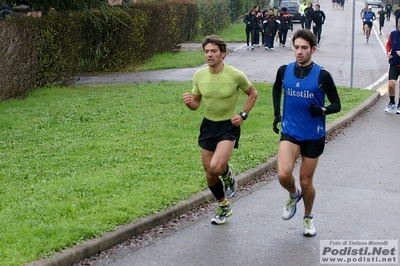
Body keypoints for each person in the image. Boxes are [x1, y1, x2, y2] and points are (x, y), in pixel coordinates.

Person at [271, 29, 341, 236]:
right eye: (296, 47)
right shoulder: (284, 71)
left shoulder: (322, 75)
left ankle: (308, 217)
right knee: (284, 175)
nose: (299, 52)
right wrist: (277, 113)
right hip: (290, 131)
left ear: (313, 49)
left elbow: (336, 104)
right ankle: (294, 195)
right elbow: (276, 88)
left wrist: (323, 110)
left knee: (305, 180)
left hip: (313, 134)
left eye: (304, 48)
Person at [182, 35, 258, 225]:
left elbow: (253, 93)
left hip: (228, 126)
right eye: (206, 51)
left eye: (213, 51)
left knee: (216, 166)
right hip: (208, 125)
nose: (209, 54)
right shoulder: (199, 75)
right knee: (209, 173)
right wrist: (189, 103)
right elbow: (196, 104)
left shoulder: (235, 75)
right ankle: (224, 205)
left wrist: (242, 115)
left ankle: (226, 173)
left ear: (223, 54)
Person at [385, 20, 400, 114]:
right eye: (399, 24)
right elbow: (388, 44)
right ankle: (392, 102)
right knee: (391, 84)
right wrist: (388, 53)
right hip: (394, 63)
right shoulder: (393, 33)